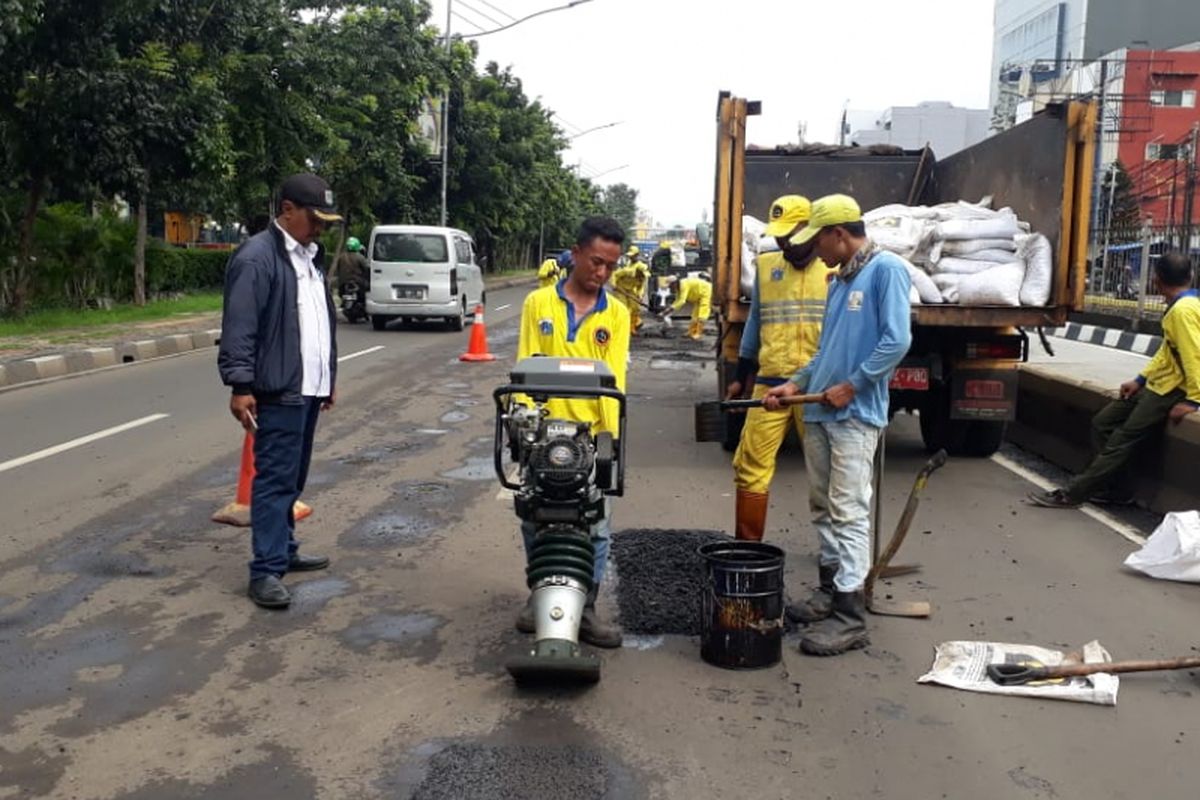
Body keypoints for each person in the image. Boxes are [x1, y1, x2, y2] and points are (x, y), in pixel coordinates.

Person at [764, 194, 911, 656]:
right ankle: (831, 590)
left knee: (848, 511)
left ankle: (851, 616)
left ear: (839, 234)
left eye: (819, 241)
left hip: (853, 415)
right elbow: (823, 353)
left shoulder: (885, 271)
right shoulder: (838, 283)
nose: (816, 252)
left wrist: (855, 384)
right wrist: (793, 384)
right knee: (821, 506)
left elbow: (897, 340)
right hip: (819, 410)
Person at [218, 173, 342, 610]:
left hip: (308, 388)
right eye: (315, 218)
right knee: (273, 480)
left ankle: (284, 550)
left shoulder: (309, 256)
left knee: (294, 476)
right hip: (277, 389)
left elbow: (318, 322)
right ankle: (266, 570)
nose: (321, 228)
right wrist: (240, 385)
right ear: (287, 210)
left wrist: (327, 379)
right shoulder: (257, 258)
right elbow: (240, 326)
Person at [513, 216, 630, 648]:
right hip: (542, 433)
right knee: (534, 516)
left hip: (591, 433)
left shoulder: (615, 313)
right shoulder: (537, 304)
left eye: (610, 267)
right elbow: (526, 362)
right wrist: (522, 426)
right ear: (576, 253)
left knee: (595, 524)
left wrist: (611, 441)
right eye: (596, 262)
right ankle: (538, 597)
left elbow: (613, 377)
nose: (601, 273)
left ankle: (588, 606)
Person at [1030, 252, 1199, 508]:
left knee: (1121, 440)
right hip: (1158, 382)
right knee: (1103, 422)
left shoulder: (1183, 311)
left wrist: (1194, 400)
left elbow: (1193, 356)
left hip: (1171, 389)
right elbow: (1168, 351)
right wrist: (1140, 379)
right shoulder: (1181, 305)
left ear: (1156, 280)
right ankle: (1118, 488)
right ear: (1191, 275)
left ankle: (1074, 493)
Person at [729, 195, 836, 543]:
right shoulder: (766, 263)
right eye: (779, 235)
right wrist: (741, 375)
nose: (784, 242)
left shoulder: (835, 266)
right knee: (750, 468)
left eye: (790, 234)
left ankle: (834, 560)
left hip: (818, 389)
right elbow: (755, 319)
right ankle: (747, 549)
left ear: (810, 229)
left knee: (828, 476)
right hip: (770, 382)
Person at [611, 245, 650, 332]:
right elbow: (615, 275)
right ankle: (622, 327)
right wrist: (614, 285)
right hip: (620, 289)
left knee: (635, 308)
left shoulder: (642, 276)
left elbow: (640, 287)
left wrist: (639, 295)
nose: (641, 276)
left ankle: (632, 327)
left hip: (630, 290)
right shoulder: (627, 270)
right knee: (624, 308)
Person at [668, 273, 713, 340]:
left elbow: (682, 301)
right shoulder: (679, 287)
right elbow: (677, 300)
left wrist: (669, 310)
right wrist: (669, 309)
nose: (670, 288)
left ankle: (698, 333)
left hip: (706, 292)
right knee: (694, 315)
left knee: (702, 315)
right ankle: (691, 332)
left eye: (670, 286)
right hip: (699, 295)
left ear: (675, 283)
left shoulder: (683, 285)